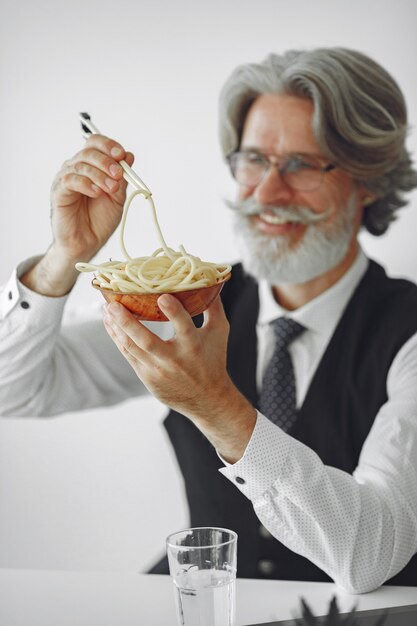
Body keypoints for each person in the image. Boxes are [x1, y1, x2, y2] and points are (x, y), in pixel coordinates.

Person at [1, 47, 417, 594]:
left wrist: (216, 405)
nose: (266, 193)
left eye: (300, 164)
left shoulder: (407, 332)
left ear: (367, 180)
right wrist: (62, 257)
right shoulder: (181, 302)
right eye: (253, 160)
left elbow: (371, 553)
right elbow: (14, 390)